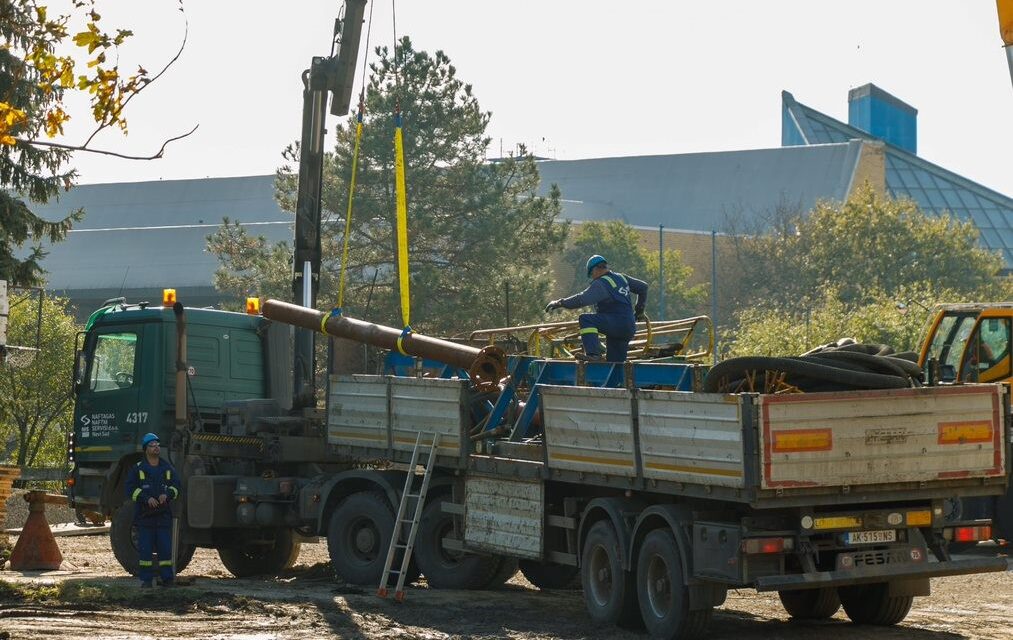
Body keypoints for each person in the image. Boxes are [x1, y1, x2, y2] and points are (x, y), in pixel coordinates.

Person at [544, 254, 648, 362]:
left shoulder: (601, 283)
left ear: (594, 270)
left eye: (591, 274)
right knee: (615, 365)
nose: (592, 277)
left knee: (586, 320)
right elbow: (643, 287)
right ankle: (616, 378)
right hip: (628, 327)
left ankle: (593, 354)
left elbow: (581, 299)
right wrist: (639, 311)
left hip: (615, 323)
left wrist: (560, 303)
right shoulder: (621, 278)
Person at [124, 432, 181, 587]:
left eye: (157, 444)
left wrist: (167, 494)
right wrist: (145, 498)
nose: (156, 447)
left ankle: (167, 579)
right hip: (145, 517)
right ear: (145, 449)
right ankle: (146, 581)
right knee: (145, 551)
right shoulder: (138, 469)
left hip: (163, 516)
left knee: (165, 550)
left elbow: (177, 486)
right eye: (152, 445)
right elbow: (130, 490)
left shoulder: (167, 468)